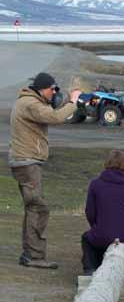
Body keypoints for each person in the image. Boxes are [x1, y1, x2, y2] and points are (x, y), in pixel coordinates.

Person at [9, 72, 81, 269]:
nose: (54, 93)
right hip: (27, 163)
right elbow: (55, 116)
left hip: (25, 162)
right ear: (42, 89)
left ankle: (30, 254)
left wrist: (66, 97)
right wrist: (73, 101)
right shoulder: (30, 104)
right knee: (38, 208)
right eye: (52, 89)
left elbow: (51, 109)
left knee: (33, 207)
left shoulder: (29, 102)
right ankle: (33, 256)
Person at [81, 150, 124, 275]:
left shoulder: (95, 184)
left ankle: (90, 268)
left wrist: (96, 226)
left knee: (87, 238)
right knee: (103, 234)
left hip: (103, 233)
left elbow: (90, 212)